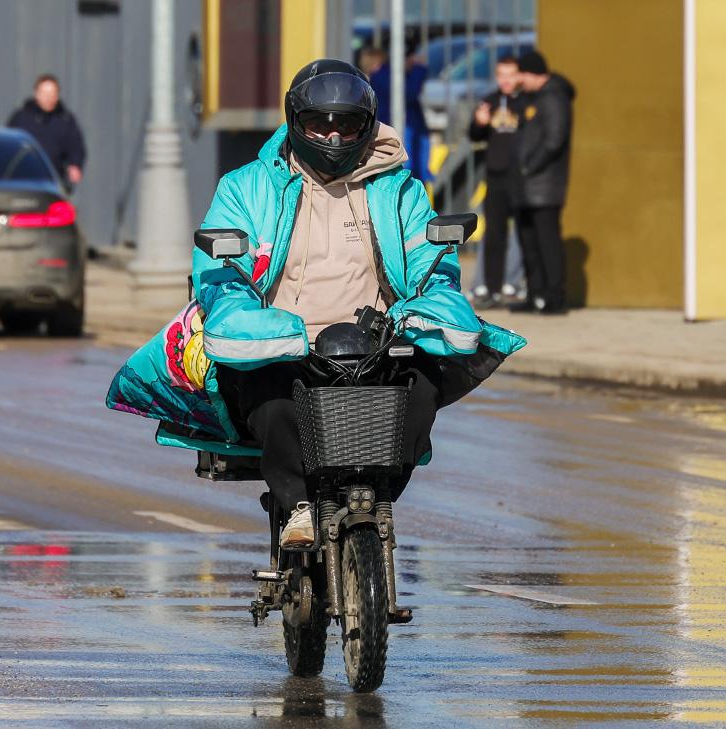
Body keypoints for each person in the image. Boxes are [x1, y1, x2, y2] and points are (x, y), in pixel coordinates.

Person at [185, 60, 523, 546]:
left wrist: (429, 303)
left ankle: (380, 490)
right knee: (270, 391)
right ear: (294, 120)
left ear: (368, 125)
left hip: (376, 339)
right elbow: (219, 275)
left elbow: (430, 259)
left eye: (348, 124)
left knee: (424, 381)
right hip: (286, 340)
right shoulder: (245, 185)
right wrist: (249, 318)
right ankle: (298, 506)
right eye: (319, 122)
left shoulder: (400, 188)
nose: (333, 135)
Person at [512, 50, 575, 315]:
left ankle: (554, 297)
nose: (519, 81)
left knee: (547, 242)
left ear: (532, 73)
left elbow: (554, 139)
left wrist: (529, 165)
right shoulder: (535, 98)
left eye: (521, 75)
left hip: (544, 185)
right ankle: (535, 294)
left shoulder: (554, 98)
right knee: (529, 242)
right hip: (529, 185)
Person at [468, 56, 525, 309]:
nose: (506, 80)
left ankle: (512, 283)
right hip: (496, 175)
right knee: (494, 233)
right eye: (501, 74)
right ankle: (489, 288)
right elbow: (474, 135)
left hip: (521, 176)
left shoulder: (526, 102)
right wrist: (478, 123)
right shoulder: (489, 100)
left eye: (510, 74)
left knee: (522, 232)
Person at [6, 73, 86, 189]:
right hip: (23, 180)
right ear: (36, 94)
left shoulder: (65, 120)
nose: (48, 98)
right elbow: (8, 144)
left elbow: (76, 147)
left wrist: (75, 165)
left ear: (57, 96)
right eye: (45, 94)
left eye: (52, 94)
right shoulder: (21, 117)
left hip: (53, 181)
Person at [368, 46, 431, 181]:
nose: (413, 63)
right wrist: (420, 70)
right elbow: (409, 93)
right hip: (400, 132)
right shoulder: (384, 76)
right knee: (405, 173)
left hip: (409, 133)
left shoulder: (391, 75)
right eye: (411, 59)